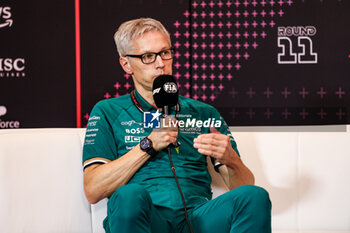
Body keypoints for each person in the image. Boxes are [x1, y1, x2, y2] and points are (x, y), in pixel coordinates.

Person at [83, 18, 271, 233]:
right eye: (147, 56)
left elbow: (242, 186)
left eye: (165, 52)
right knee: (128, 195)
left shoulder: (204, 113)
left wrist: (231, 158)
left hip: (197, 219)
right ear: (126, 64)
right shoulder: (108, 111)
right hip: (148, 219)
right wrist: (148, 145)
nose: (160, 63)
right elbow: (93, 189)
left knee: (254, 195)